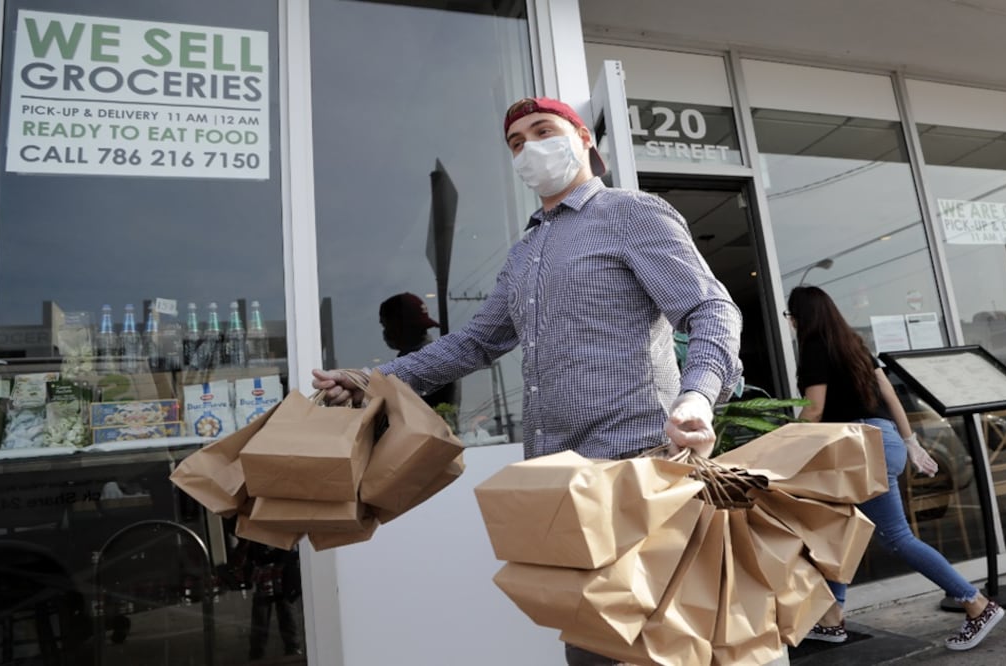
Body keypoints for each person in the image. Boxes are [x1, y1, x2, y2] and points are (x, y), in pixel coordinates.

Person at [313, 96, 744, 665]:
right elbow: (474, 342)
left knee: (654, 646)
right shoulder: (525, 253)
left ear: (583, 138)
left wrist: (697, 396)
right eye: (516, 143)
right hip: (559, 478)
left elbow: (711, 309)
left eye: (543, 131)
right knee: (588, 644)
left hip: (635, 465)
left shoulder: (632, 213)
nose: (529, 148)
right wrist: (372, 379)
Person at [786, 285, 1004, 652]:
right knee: (840, 529)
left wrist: (781, 445)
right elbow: (889, 395)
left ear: (801, 316)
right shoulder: (852, 344)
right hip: (880, 439)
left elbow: (814, 410)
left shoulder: (813, 348)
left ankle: (976, 604)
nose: (789, 323)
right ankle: (832, 618)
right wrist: (909, 442)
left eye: (790, 315)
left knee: (896, 538)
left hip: (858, 446)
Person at [378, 292, 458, 409]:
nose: (386, 333)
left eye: (386, 326)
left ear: (399, 327)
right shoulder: (436, 356)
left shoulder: (425, 363)